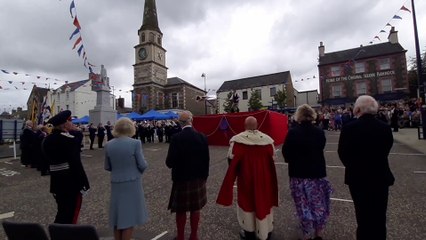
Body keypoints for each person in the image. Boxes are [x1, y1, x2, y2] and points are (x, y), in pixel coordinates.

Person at [338, 95, 395, 240]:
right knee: (379, 216)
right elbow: (386, 150)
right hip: (380, 176)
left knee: (363, 216)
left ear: (357, 109)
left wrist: (354, 166)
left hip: (358, 178)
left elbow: (343, 153)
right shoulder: (384, 128)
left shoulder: (349, 128)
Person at [217, 116, 278, 240]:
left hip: (246, 180)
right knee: (264, 203)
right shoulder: (267, 141)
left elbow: (231, 161)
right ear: (257, 125)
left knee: (247, 204)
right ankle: (265, 232)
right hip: (264, 180)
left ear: (245, 126)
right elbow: (272, 160)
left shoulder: (238, 141)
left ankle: (249, 233)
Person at [282, 104, 333, 240]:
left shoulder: (293, 132)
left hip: (299, 173)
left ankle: (306, 234)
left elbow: (286, 152)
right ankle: (318, 233)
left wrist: (291, 160)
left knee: (303, 205)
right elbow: (321, 147)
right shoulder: (319, 132)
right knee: (318, 204)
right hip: (317, 173)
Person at [166, 111, 210, 240]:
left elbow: (169, 163)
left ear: (180, 123)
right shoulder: (202, 137)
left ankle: (180, 237)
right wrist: (204, 177)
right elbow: (206, 160)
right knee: (195, 209)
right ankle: (194, 236)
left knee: (181, 210)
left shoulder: (176, 138)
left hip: (181, 179)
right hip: (198, 178)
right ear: (192, 121)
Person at [104, 117, 149, 240]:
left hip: (116, 182)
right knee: (129, 218)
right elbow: (142, 164)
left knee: (117, 217)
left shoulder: (108, 145)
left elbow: (107, 166)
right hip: (132, 182)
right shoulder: (135, 143)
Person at [42, 110, 90, 224]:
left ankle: (57, 233)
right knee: (71, 214)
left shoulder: (46, 140)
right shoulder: (69, 140)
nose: (72, 124)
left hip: (56, 181)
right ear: (64, 124)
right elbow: (76, 164)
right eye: (70, 121)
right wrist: (84, 183)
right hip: (71, 182)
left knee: (62, 212)